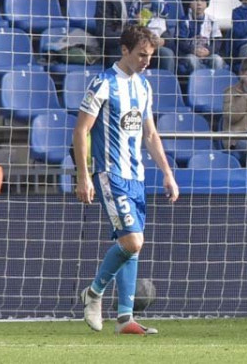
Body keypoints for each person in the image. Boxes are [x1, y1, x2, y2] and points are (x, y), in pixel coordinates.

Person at [75, 26, 179, 335]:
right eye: (141, 55)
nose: (147, 61)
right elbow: (81, 130)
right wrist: (84, 175)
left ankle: (125, 318)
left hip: (137, 176)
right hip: (110, 173)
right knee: (133, 241)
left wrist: (167, 172)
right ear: (124, 50)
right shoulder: (103, 84)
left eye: (150, 56)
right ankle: (93, 294)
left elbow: (149, 134)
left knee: (130, 246)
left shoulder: (144, 86)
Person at [177, 0, 226, 75]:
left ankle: (216, 82)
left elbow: (218, 40)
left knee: (217, 59)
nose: (199, 3)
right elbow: (181, 41)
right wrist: (193, 50)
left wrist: (209, 50)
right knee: (191, 60)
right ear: (189, 3)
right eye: (195, 0)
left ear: (207, 3)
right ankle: (199, 83)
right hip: (191, 53)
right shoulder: (184, 21)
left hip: (208, 53)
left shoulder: (212, 20)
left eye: (202, 0)